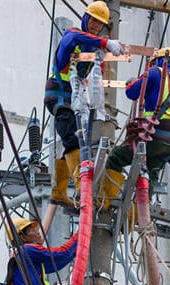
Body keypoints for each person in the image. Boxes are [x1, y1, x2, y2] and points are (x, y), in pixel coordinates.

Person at [44, 1, 123, 209]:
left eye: (100, 24)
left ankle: (59, 191)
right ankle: (82, 186)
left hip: (76, 99)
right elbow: (71, 37)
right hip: (60, 95)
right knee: (73, 139)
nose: (96, 26)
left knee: (78, 138)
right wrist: (106, 43)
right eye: (94, 21)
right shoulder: (73, 36)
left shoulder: (92, 48)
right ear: (86, 18)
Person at [97, 47, 170, 211]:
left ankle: (106, 200)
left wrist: (131, 82)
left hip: (152, 137)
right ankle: (137, 214)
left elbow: (132, 92)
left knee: (116, 158)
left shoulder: (154, 73)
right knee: (150, 174)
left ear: (156, 61)